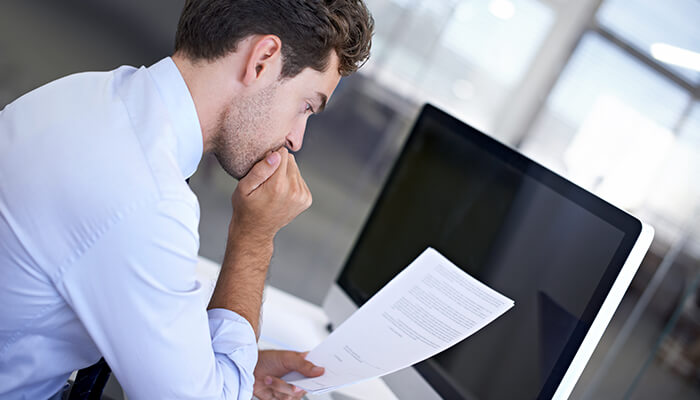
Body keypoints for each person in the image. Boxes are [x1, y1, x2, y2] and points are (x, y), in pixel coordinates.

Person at [0, 0, 373, 399]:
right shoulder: (146, 196)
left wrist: (220, 366)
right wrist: (253, 239)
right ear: (262, 60)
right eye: (305, 107)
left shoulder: (95, 92)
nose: (296, 139)